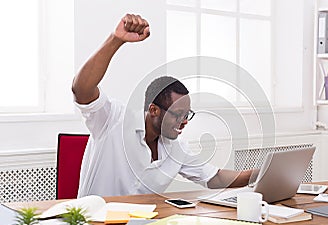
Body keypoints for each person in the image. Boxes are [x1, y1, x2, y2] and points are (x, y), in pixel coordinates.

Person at [72, 13, 253, 197]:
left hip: (141, 223)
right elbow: (81, 90)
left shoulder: (176, 147)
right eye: (177, 114)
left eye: (187, 114)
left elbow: (216, 178)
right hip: (96, 222)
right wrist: (116, 40)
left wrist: (259, 174)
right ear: (154, 110)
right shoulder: (113, 120)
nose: (184, 122)